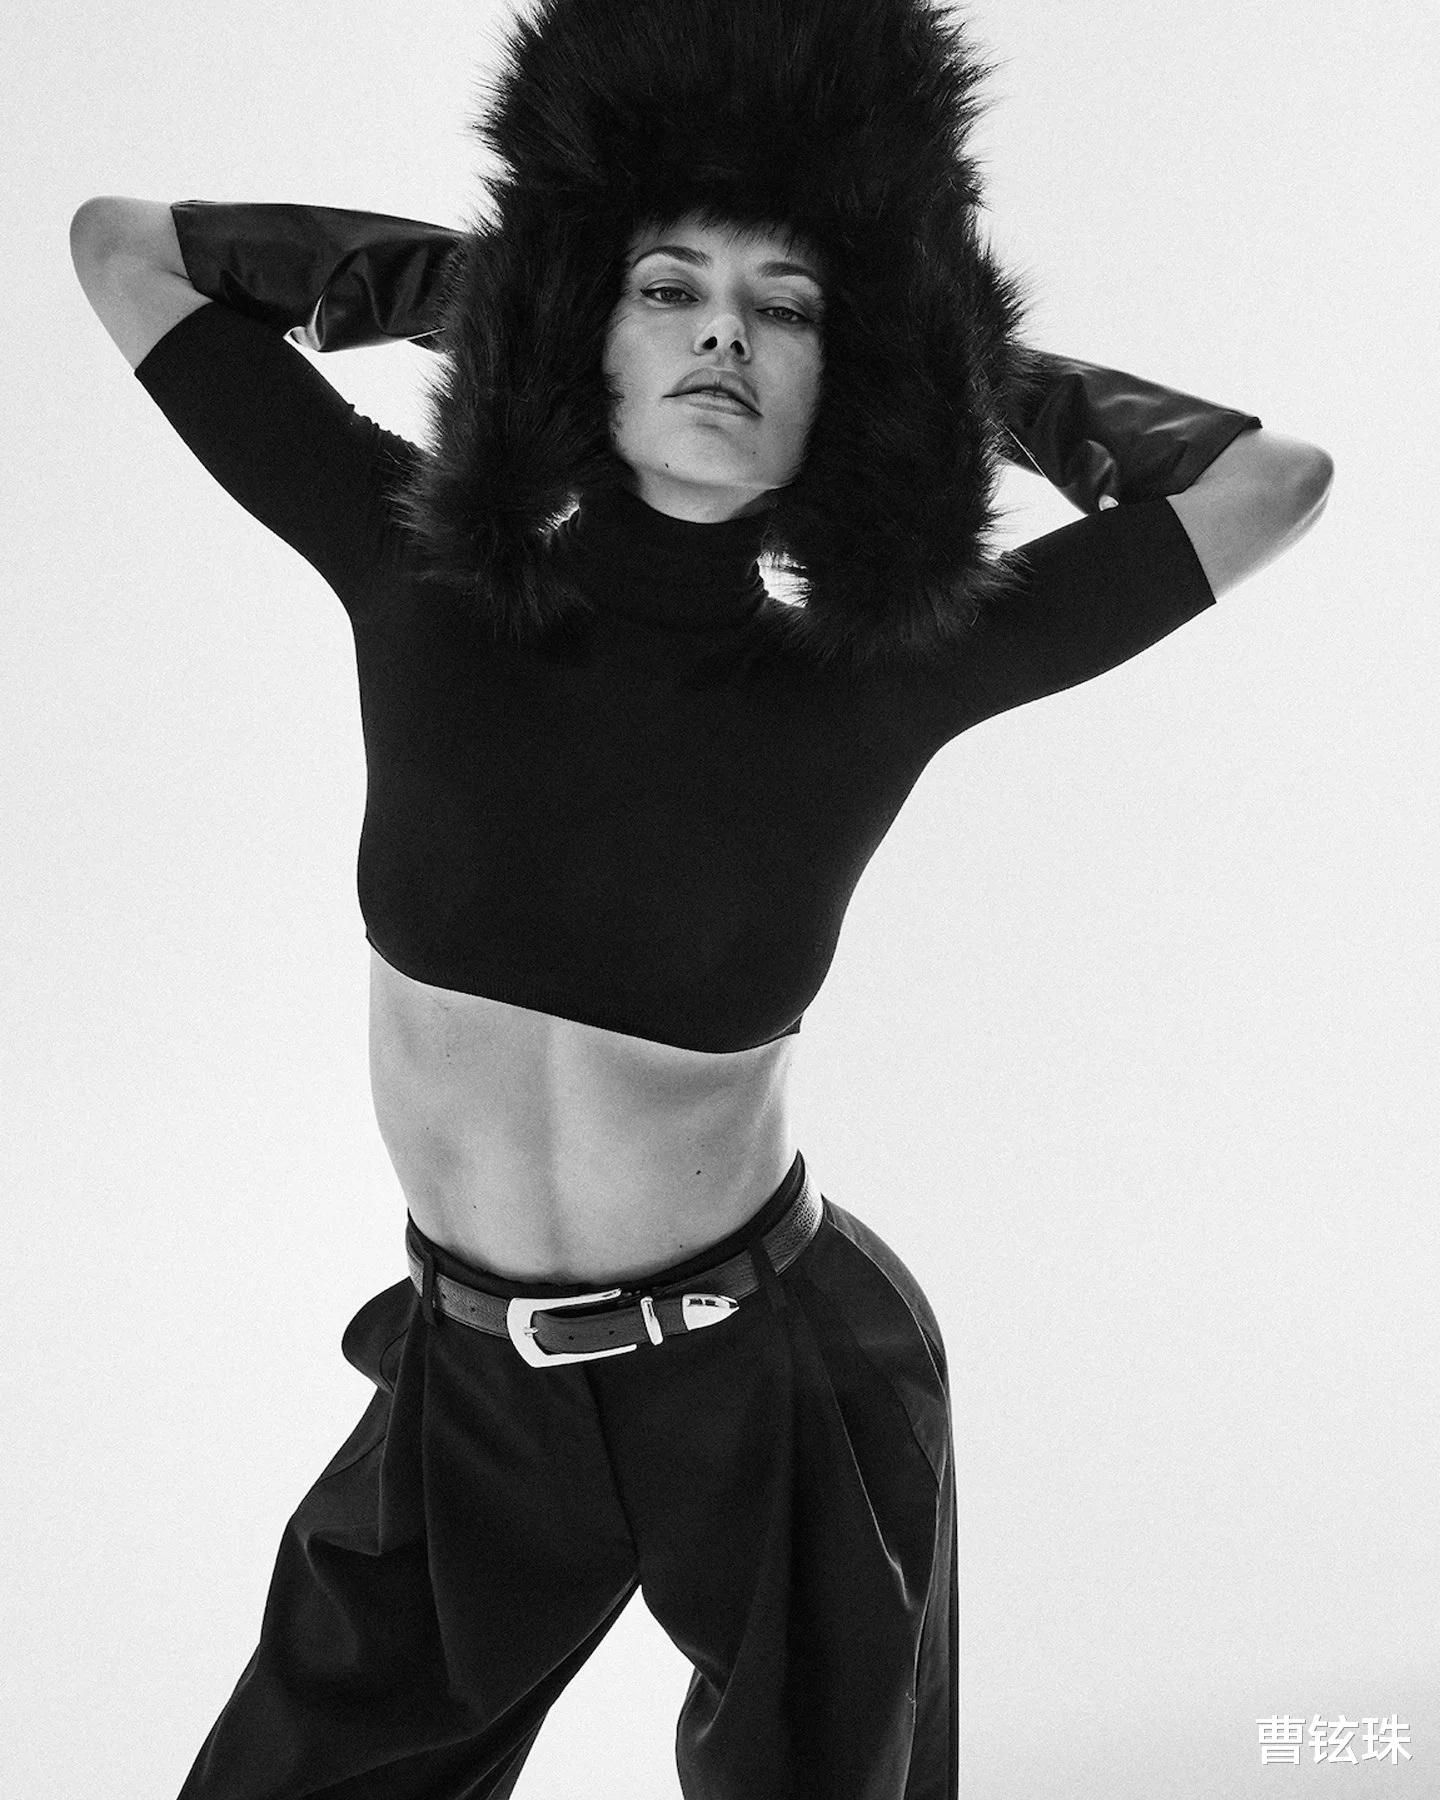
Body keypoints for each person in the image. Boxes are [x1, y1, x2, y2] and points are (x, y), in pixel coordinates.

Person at [69, 0, 1332, 1794]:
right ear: (580, 326)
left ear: (849, 379)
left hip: (777, 1390)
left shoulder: (880, 680)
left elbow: (1272, 485)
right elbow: (121, 250)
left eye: (790, 308)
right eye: (666, 288)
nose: (725, 330)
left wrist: (941, 362)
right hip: (472, 1393)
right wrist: (512, 287)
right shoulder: (409, 566)